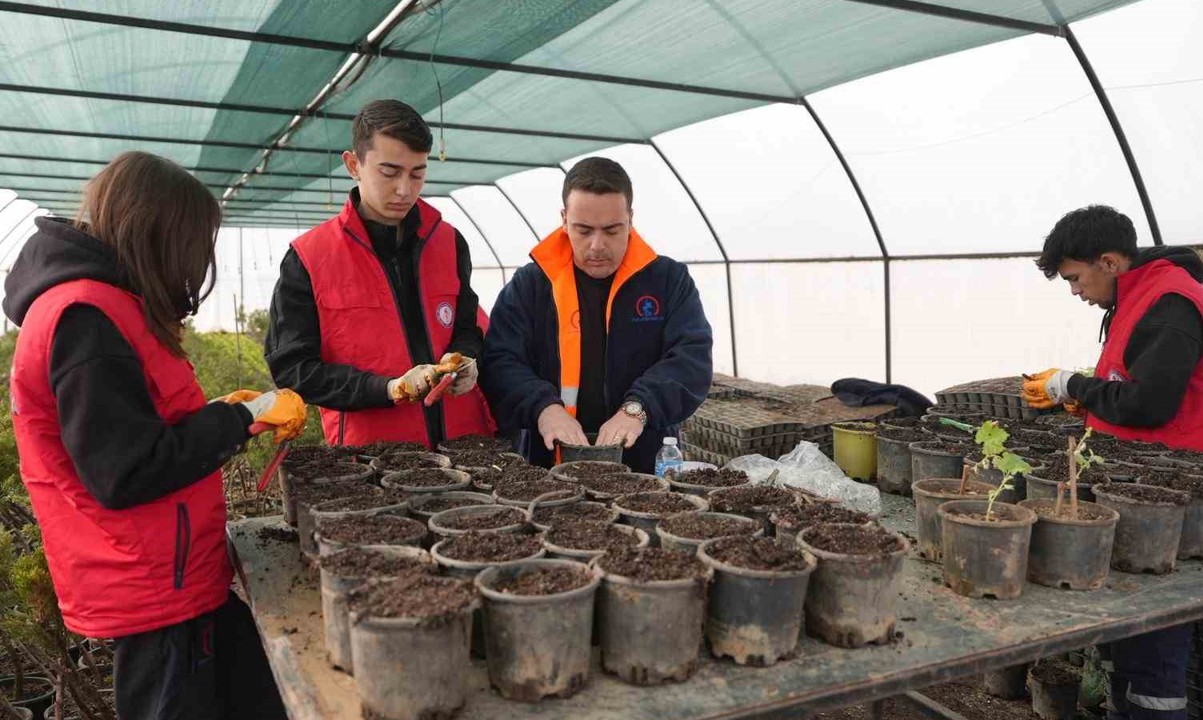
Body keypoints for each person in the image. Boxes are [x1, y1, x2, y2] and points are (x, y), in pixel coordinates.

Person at [4, 151, 306, 719]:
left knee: (264, 692)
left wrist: (223, 411)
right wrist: (239, 420)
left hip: (176, 580)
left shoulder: (105, 304)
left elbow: (136, 426)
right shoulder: (85, 318)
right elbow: (126, 470)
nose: (191, 266)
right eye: (190, 246)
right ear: (156, 233)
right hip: (152, 590)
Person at [1023, 204, 1203, 720]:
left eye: (1075, 277)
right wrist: (1087, 399)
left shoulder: (1171, 303)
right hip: (1138, 484)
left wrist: (1071, 384)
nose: (1075, 290)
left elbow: (1151, 405)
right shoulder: (1138, 297)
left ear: (1111, 262)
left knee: (1155, 644)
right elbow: (1128, 383)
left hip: (1173, 491)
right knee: (1131, 638)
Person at [265, 99, 493, 449]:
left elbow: (467, 325)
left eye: (417, 173)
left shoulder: (448, 242)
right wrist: (388, 389)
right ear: (353, 165)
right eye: (390, 172)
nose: (405, 189)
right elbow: (295, 370)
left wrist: (465, 359)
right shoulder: (309, 258)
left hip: (463, 445)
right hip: (372, 457)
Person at [481, 157, 713, 473]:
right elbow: (500, 361)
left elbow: (691, 359)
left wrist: (637, 409)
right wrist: (544, 408)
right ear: (564, 219)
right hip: (548, 465)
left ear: (630, 218)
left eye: (612, 230)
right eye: (584, 230)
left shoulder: (668, 281)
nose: (597, 245)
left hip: (645, 464)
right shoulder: (531, 286)